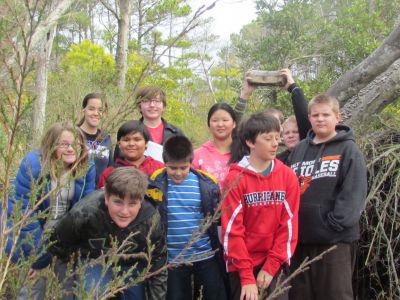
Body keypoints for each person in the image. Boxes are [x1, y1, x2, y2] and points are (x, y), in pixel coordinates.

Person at [287, 93, 368, 300]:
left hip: (334, 241)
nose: (320, 119)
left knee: (335, 295)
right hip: (300, 241)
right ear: (309, 117)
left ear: (337, 117)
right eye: (315, 115)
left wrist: (332, 223)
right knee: (300, 296)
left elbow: (353, 193)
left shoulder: (348, 149)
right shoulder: (299, 150)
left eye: (325, 114)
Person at [6, 122, 95, 299]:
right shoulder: (33, 167)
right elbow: (24, 216)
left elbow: (85, 208)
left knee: (71, 290)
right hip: (30, 240)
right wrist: (37, 259)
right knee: (31, 291)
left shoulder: (86, 168)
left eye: (76, 144)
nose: (71, 149)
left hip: (64, 238)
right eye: (64, 144)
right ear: (51, 144)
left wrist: (72, 246)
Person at [50, 167, 167, 300]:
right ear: (106, 198)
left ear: (140, 202)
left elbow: (158, 265)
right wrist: (67, 293)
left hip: (132, 264)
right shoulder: (84, 213)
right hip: (93, 261)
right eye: (118, 202)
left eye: (132, 204)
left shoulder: (150, 219)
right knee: (91, 294)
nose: (124, 211)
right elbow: (58, 248)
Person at [221, 113, 300, 300]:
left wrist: (271, 267)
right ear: (250, 142)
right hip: (241, 265)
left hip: (275, 263)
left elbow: (289, 226)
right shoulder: (234, 179)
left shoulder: (287, 176)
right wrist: (246, 276)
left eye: (276, 137)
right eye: (267, 138)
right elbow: (232, 231)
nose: (275, 143)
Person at [148, 135, 226, 300]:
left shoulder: (206, 183)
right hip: (173, 258)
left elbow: (216, 218)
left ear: (191, 162)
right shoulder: (155, 182)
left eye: (183, 168)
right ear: (165, 163)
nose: (178, 173)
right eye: (172, 168)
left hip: (205, 254)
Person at [97, 120, 164, 188]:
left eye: (137, 139)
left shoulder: (160, 169)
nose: (131, 144)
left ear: (146, 143)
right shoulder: (109, 173)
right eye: (126, 140)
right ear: (119, 144)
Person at [192, 102, 237, 186]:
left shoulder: (243, 154)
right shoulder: (197, 155)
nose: (220, 124)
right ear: (209, 125)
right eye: (215, 120)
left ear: (234, 123)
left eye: (225, 120)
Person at [78, 93, 113, 185]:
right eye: (91, 109)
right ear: (83, 110)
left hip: (99, 195)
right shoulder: (73, 135)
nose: (96, 113)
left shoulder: (106, 138)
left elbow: (110, 169)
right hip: (77, 194)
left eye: (100, 110)